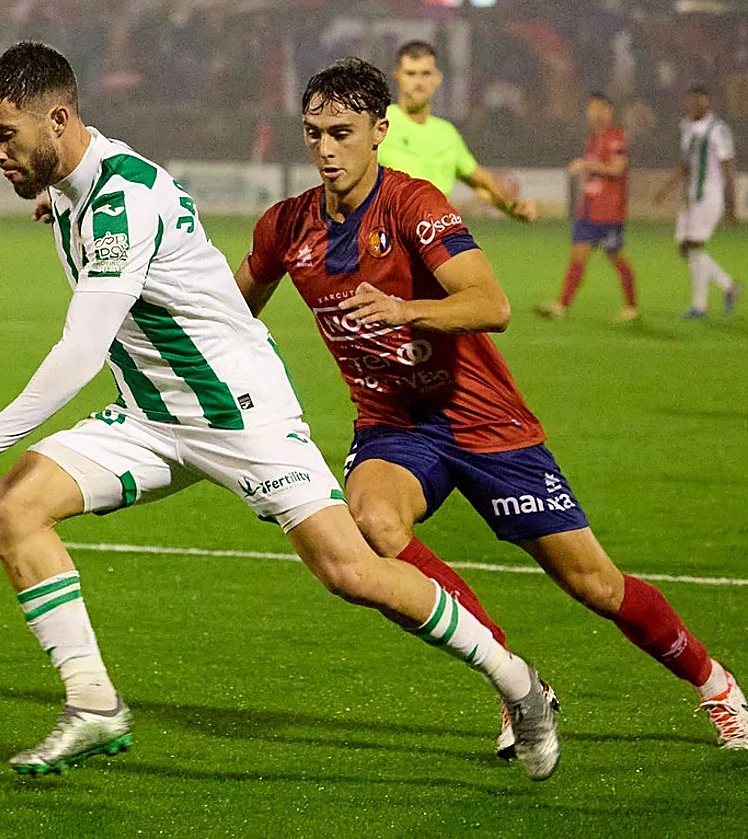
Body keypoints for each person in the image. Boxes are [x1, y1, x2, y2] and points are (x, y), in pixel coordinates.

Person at [0, 42, 561, 780]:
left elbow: (82, 348)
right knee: (13, 508)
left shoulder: (122, 201)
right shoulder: (74, 183)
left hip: (240, 413)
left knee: (352, 571)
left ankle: (518, 683)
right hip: (151, 417)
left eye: (4, 135)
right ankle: (93, 704)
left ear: (57, 120)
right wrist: (54, 196)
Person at [233, 58, 748, 758]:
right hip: (395, 427)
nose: (325, 149)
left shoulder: (411, 204)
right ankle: (515, 682)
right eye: (313, 133)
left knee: (594, 584)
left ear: (379, 131)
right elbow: (226, 312)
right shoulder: (287, 225)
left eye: (342, 133)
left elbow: (491, 304)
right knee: (374, 523)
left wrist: (406, 310)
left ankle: (715, 684)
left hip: (484, 422)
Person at [378, 40, 537, 222]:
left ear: (437, 78)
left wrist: (513, 207)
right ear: (397, 75)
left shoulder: (446, 133)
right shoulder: (379, 123)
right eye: (411, 74)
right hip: (387, 232)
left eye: (425, 73)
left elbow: (481, 183)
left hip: (435, 233)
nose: (418, 82)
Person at [536, 93, 639, 322]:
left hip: (609, 212)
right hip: (590, 210)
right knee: (577, 256)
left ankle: (632, 306)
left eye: (599, 109)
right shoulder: (592, 137)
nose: (594, 113)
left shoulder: (615, 137)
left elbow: (617, 169)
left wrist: (586, 165)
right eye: (591, 109)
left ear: (608, 112)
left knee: (616, 257)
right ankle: (561, 305)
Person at [653, 86, 741, 319]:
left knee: (694, 246)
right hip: (690, 197)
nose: (694, 105)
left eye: (699, 102)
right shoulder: (687, 127)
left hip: (710, 196)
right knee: (686, 248)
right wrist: (666, 188)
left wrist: (731, 204)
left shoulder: (718, 129)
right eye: (691, 101)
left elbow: (728, 167)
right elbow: (685, 164)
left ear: (707, 103)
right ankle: (728, 287)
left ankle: (700, 306)